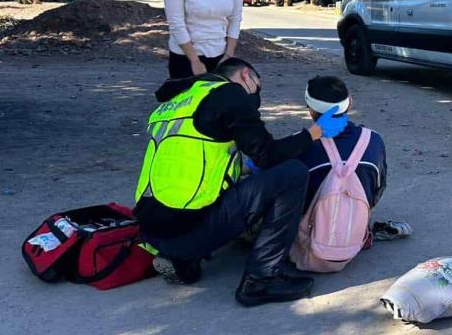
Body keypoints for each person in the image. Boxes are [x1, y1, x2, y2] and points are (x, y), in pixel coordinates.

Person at [132, 58, 349, 306]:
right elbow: (268, 155)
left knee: (254, 181)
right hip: (189, 229)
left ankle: (183, 259)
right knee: (292, 173)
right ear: (246, 75)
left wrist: (249, 170)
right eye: (258, 85)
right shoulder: (229, 93)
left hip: (151, 229)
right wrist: (314, 132)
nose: (257, 94)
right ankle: (261, 281)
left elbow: (197, 164)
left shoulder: (180, 101)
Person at [298, 76, 387, 215]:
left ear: (312, 111)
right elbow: (379, 187)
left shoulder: (298, 145)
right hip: (356, 226)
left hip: (308, 228)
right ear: (349, 104)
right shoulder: (373, 139)